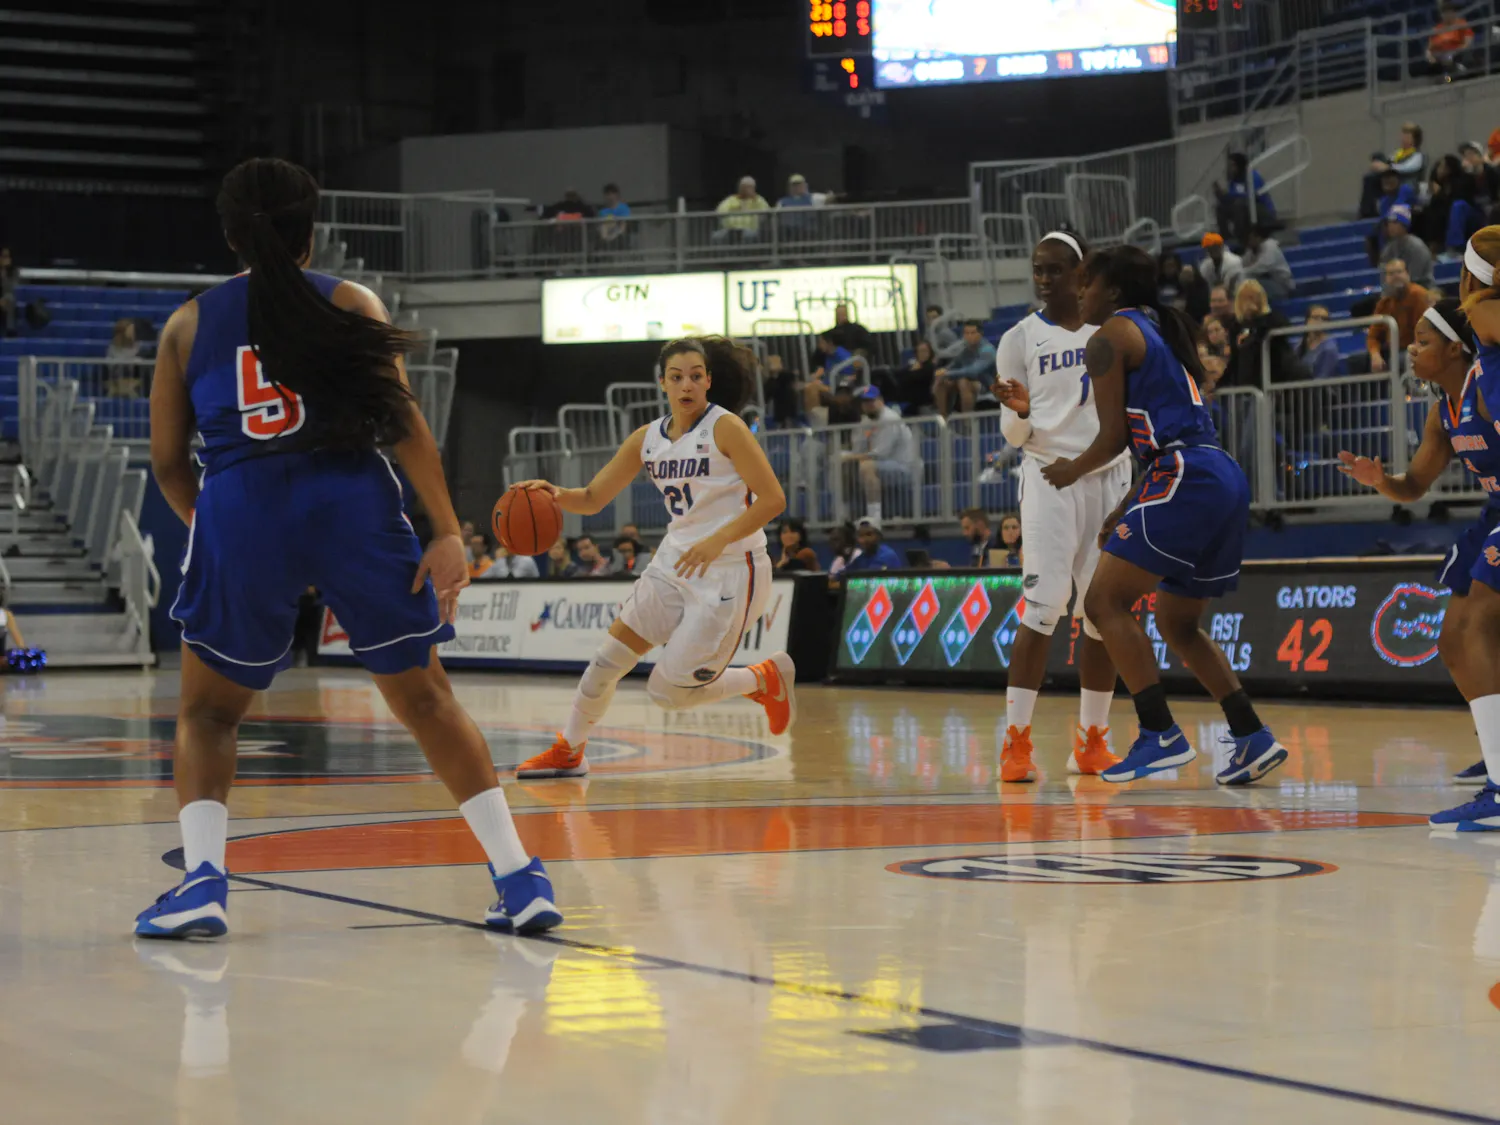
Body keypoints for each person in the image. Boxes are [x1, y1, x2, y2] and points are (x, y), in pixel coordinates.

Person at [137, 156, 559, 938]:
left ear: (230, 234)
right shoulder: (351, 301)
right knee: (426, 697)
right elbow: (404, 425)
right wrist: (444, 531)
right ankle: (518, 874)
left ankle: (201, 883)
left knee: (207, 712)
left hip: (241, 499)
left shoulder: (188, 324)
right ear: (312, 230)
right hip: (349, 499)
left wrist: (220, 528)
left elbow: (167, 461)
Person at [1039, 244, 1287, 787]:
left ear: (1114, 289)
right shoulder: (1157, 331)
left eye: (1087, 282)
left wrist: (1071, 470)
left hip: (1184, 475)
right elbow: (1154, 437)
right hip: (1215, 474)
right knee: (1178, 623)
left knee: (1103, 602)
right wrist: (1127, 506)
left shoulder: (1109, 337)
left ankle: (1160, 734)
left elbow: (1112, 440)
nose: (1079, 292)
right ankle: (1251, 734)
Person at [510, 336, 794, 780]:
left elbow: (773, 499)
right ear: (662, 383)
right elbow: (591, 498)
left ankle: (763, 677)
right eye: (677, 377)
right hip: (673, 563)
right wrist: (554, 494)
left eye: (696, 376)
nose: (687, 385)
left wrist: (716, 540)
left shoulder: (727, 428)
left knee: (668, 694)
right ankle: (569, 750)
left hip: (731, 572)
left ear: (708, 381)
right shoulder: (647, 440)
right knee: (606, 662)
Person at [1335, 297, 1497, 802]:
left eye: (1423, 340)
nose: (1411, 346)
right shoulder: (1440, 415)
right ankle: (1495, 750)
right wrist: (1380, 480)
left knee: (1478, 627)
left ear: (1454, 348)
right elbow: (1413, 487)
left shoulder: (1488, 386)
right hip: (1494, 513)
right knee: (1451, 638)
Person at [991, 230, 1133, 780]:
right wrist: (1023, 411)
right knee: (1045, 605)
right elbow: (1011, 432)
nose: (1044, 279)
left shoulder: (1114, 330)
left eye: (1055, 269)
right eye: (1038, 270)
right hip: (1050, 477)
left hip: (1111, 478)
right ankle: (1017, 741)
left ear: (1081, 274)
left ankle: (1091, 740)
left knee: (1100, 612)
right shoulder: (1019, 339)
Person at [844, 385, 915, 523]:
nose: (868, 405)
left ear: (881, 400)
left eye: (872, 400)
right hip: (882, 466)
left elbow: (880, 454)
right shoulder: (865, 422)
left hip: (903, 467)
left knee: (867, 466)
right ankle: (844, 514)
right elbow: (857, 450)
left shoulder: (889, 418)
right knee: (844, 467)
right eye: (865, 402)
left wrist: (849, 456)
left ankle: (874, 518)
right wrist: (846, 458)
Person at [1232, 279, 1306, 388]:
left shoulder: (1272, 319)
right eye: (1245, 298)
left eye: (1253, 297)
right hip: (1249, 385)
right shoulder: (1236, 326)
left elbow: (1285, 326)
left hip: (1279, 380)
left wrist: (1257, 320)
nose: (1249, 302)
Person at [1367, 258, 1432, 373]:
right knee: (1358, 361)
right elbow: (1373, 336)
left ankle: (1397, 391)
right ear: (1386, 279)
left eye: (1399, 272)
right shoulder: (1384, 303)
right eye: (1391, 274)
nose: (1396, 276)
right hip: (1392, 349)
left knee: (1399, 360)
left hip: (1416, 347)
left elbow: (1424, 331)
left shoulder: (1418, 295)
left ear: (1407, 274)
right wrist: (1375, 354)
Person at [933, 320, 996, 417]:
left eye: (973, 333)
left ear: (980, 334)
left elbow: (973, 371)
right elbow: (953, 366)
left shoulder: (987, 350)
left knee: (963, 381)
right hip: (971, 384)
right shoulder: (965, 351)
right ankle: (944, 420)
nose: (969, 336)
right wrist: (942, 373)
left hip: (988, 387)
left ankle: (967, 421)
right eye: (966, 333)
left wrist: (948, 374)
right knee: (943, 381)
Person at [1361, 123, 1426, 217]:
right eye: (1403, 136)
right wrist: (1380, 166)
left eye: (1407, 136)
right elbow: (1389, 163)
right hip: (1392, 179)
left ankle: (1367, 212)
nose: (1403, 139)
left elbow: (1406, 168)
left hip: (1405, 183)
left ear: (1415, 140)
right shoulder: (1397, 154)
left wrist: (1387, 167)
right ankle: (1367, 211)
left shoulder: (1418, 156)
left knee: (1374, 176)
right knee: (1371, 173)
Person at [1214, 153, 1276, 245]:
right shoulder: (1234, 180)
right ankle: (1226, 238)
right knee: (1220, 208)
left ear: (1240, 165)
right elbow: (1232, 198)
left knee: (1239, 204)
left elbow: (1253, 195)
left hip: (1262, 209)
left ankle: (1241, 238)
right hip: (1245, 209)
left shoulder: (1253, 176)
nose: (1230, 169)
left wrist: (1231, 194)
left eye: (1232, 165)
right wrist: (1221, 195)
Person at [1379, 204, 1435, 289]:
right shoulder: (1388, 250)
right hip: (1397, 294)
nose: (1391, 226)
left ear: (1404, 225)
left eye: (1395, 222)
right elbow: (1385, 279)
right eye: (1389, 223)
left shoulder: (1417, 247)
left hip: (1422, 292)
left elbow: (1415, 279)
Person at [1240, 224, 1295, 302]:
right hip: (1268, 283)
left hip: (1281, 285)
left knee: (1249, 283)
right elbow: (1242, 263)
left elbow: (1262, 267)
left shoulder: (1270, 247)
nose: (1248, 242)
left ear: (1258, 237)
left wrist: (1242, 272)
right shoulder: (1251, 251)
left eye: (1250, 239)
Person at [713, 176, 770, 244]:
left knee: (749, 236)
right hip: (730, 230)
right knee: (716, 236)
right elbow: (720, 211)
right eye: (745, 187)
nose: (747, 189)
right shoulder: (731, 199)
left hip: (749, 229)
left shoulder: (758, 199)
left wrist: (755, 199)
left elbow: (767, 210)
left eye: (750, 187)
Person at [1297, 305, 1345, 380]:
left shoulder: (1329, 348)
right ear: (1307, 320)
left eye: (1324, 319)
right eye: (1316, 317)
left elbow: (1322, 378)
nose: (1320, 321)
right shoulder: (1299, 345)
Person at [1427, 2, 1474, 78]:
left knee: (1453, 58)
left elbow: (1468, 41)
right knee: (1435, 63)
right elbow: (1429, 49)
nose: (1447, 15)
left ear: (1453, 13)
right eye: (1444, 13)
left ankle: (1456, 72)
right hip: (1441, 56)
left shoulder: (1461, 24)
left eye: (1449, 12)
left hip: (1456, 53)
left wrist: (1456, 52)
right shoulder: (1436, 29)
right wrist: (1430, 57)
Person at [897, 339, 938, 414]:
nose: (922, 354)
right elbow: (901, 375)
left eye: (924, 351)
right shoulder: (913, 366)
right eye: (920, 351)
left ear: (930, 353)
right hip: (910, 401)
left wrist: (912, 371)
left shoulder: (931, 367)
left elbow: (918, 376)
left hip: (924, 401)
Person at [596, 183, 632, 248]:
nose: (610, 196)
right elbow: (601, 225)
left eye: (612, 193)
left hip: (619, 235)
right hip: (607, 234)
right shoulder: (602, 211)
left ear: (617, 194)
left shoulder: (624, 208)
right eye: (608, 194)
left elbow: (623, 224)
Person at [0, 247, 15, 336]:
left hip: (6, 302)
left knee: (10, 298)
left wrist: (4, 272)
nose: (5, 259)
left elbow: (10, 289)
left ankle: (10, 330)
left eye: (7, 257)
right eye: (3, 256)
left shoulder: (14, 272)